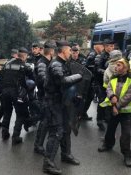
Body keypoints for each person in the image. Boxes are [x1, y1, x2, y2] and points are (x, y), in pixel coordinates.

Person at [43, 40, 82, 175]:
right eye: (70, 50)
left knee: (66, 129)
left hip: (63, 102)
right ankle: (48, 164)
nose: (71, 52)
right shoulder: (55, 65)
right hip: (53, 103)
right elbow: (63, 81)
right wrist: (79, 76)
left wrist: (75, 96)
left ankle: (66, 154)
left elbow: (68, 86)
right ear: (63, 51)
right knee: (56, 132)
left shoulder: (64, 64)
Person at [98, 58, 131, 168]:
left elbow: (129, 96)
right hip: (113, 108)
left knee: (126, 134)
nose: (116, 67)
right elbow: (109, 88)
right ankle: (108, 144)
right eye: (116, 65)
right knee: (110, 129)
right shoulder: (114, 76)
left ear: (125, 67)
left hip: (125, 112)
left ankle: (127, 154)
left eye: (119, 65)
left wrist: (117, 106)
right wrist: (111, 96)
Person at [0, 47, 34, 145]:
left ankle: (4, 133)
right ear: (25, 56)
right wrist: (27, 90)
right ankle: (16, 136)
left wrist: (0, 92)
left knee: (7, 112)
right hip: (17, 93)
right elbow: (32, 79)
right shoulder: (25, 66)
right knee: (20, 114)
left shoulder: (7, 64)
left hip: (5, 92)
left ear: (17, 54)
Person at [34, 41, 55, 155]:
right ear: (51, 51)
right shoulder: (42, 63)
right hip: (44, 96)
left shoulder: (49, 61)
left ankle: (43, 144)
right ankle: (38, 145)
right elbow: (43, 79)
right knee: (44, 121)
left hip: (49, 96)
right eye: (54, 50)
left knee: (48, 120)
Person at [94, 39, 115, 131]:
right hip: (100, 83)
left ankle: (108, 118)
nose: (111, 48)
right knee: (102, 101)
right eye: (109, 46)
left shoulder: (114, 56)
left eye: (112, 46)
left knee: (111, 100)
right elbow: (97, 69)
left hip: (111, 83)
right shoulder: (100, 57)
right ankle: (99, 120)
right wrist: (107, 72)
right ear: (105, 47)